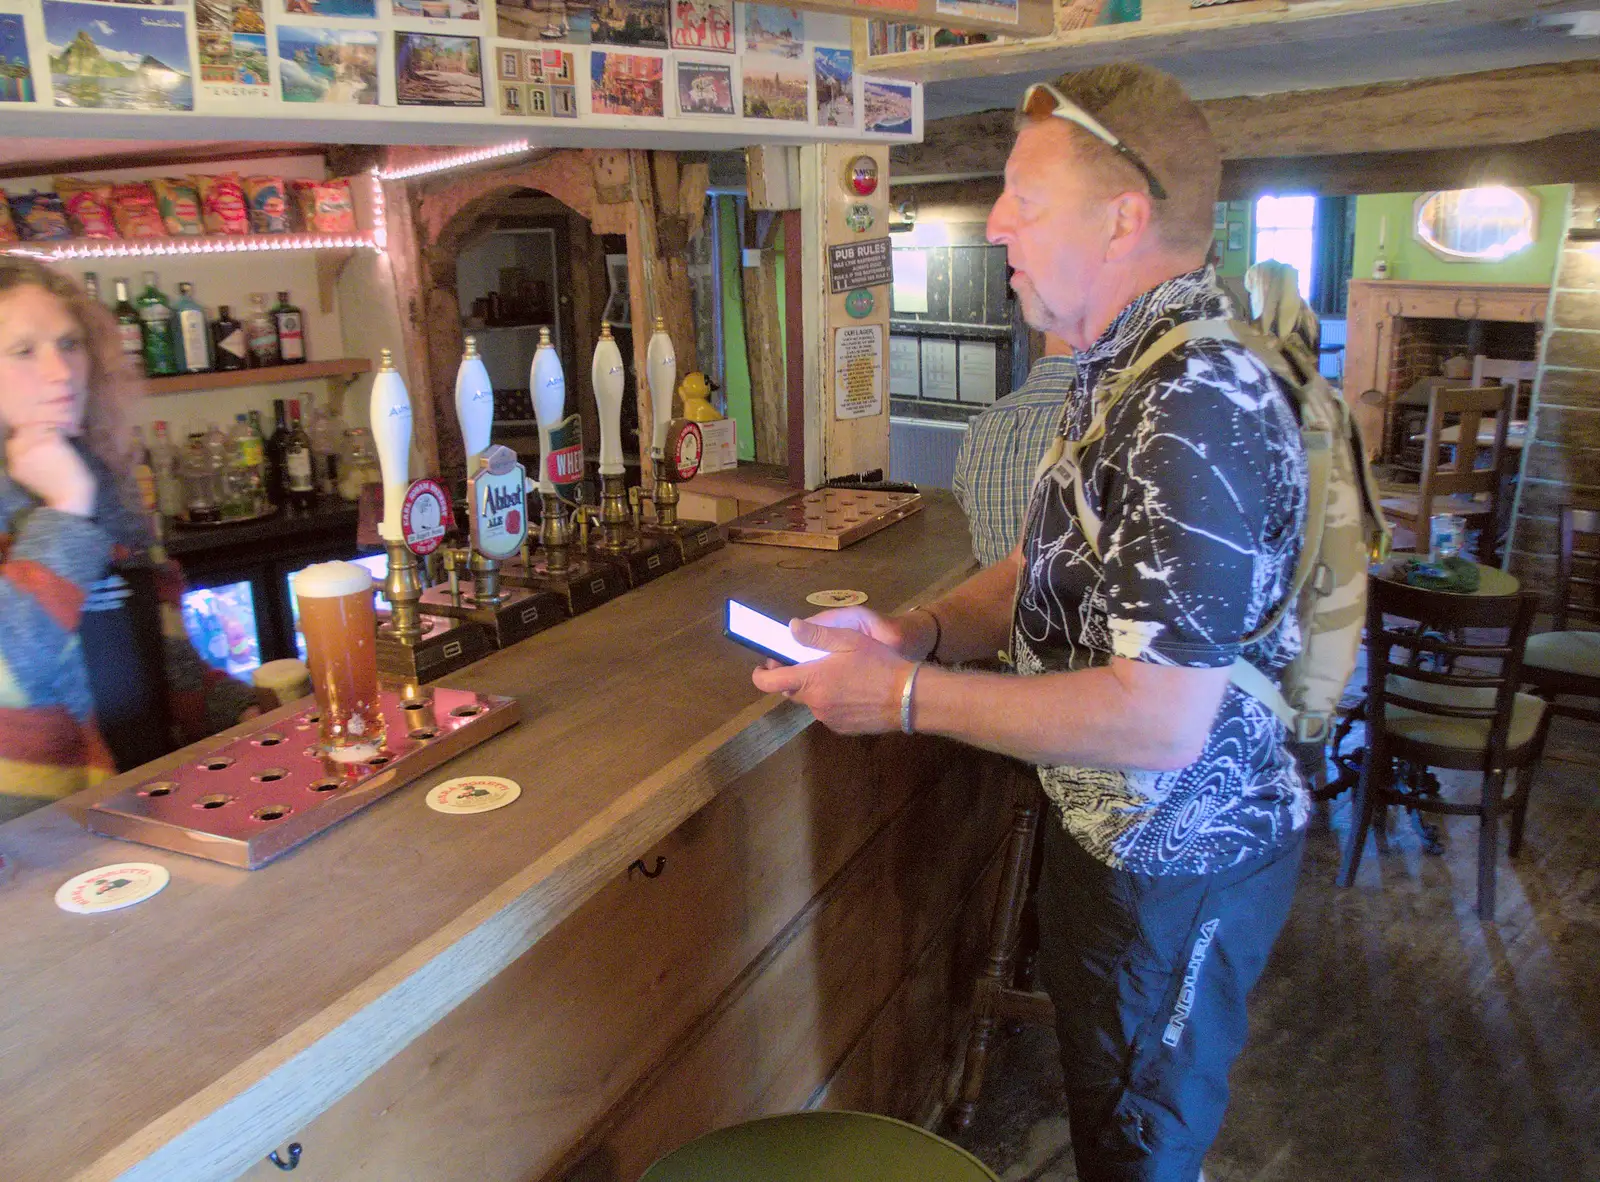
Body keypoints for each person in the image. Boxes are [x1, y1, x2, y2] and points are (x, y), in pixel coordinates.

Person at [754, 63, 1309, 1182]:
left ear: (1123, 219)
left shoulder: (1193, 400)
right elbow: (1036, 565)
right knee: (1113, 1117)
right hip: (1112, 843)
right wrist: (913, 632)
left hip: (1176, 861)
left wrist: (902, 701)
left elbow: (1158, 724)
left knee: (1141, 1148)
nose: (996, 219)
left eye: (1024, 197)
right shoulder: (1120, 374)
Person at [0, 258, 254, 823]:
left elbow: (161, 655)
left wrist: (240, 711)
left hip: (150, 803)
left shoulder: (102, 480)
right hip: (39, 846)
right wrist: (64, 511)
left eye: (69, 344)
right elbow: (7, 678)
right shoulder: (72, 493)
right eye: (23, 351)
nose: (61, 371)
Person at [952, 333, 1075, 567]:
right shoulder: (1116, 421)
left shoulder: (983, 425)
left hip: (993, 600)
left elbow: (963, 500)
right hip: (1076, 602)